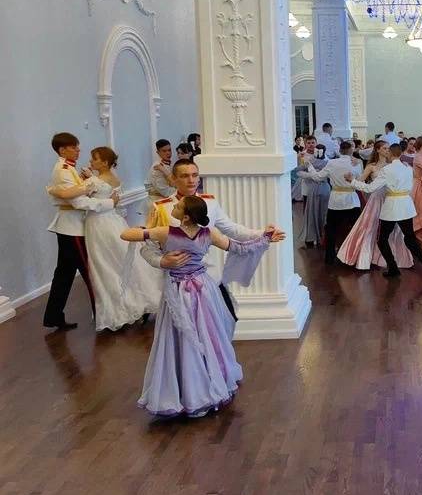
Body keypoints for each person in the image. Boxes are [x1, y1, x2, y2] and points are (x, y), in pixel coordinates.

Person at [123, 196, 283, 417]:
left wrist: (147, 229)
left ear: (186, 217)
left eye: (178, 207)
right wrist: (265, 239)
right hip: (202, 289)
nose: (174, 207)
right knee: (207, 333)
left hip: (178, 290)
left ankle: (185, 388)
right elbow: (239, 248)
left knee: (180, 337)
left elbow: (126, 235)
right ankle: (208, 379)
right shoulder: (208, 234)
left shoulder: (165, 232)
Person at [141, 159, 279, 321]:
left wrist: (262, 234)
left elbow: (232, 229)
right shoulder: (161, 208)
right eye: (184, 176)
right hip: (178, 284)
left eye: (195, 175)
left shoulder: (209, 203)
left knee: (224, 323)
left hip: (210, 277)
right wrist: (161, 261)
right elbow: (147, 247)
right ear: (173, 179)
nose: (191, 180)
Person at [48, 147, 161, 331]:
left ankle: (119, 310)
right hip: (114, 222)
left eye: (94, 159)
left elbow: (79, 201)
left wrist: (55, 190)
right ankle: (140, 301)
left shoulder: (94, 181)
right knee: (120, 262)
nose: (90, 161)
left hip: (98, 225)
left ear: (104, 162)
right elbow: (109, 196)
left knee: (104, 266)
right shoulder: (113, 178)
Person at [43, 133, 119, 330]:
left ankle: (53, 316)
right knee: (90, 272)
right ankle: (105, 317)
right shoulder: (63, 170)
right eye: (74, 147)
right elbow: (78, 202)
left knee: (64, 273)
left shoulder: (69, 168)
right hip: (73, 228)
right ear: (62, 150)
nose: (78, 150)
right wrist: (109, 203)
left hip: (69, 227)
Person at [348, 144, 422, 278]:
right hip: (406, 206)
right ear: (401, 154)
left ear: (390, 153)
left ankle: (393, 267)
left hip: (391, 207)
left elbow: (370, 188)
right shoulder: (408, 168)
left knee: (382, 239)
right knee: (410, 238)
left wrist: (352, 181)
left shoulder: (386, 170)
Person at [337, 141, 413, 270]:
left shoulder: (394, 165)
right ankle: (367, 256)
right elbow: (360, 181)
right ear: (377, 150)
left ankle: (392, 258)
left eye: (388, 148)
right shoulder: (371, 166)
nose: (387, 150)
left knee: (394, 230)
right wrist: (353, 176)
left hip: (391, 200)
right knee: (370, 227)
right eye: (384, 148)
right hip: (376, 200)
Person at [299, 141, 363, 264]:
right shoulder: (356, 164)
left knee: (331, 229)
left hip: (336, 201)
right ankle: (355, 256)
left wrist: (310, 166)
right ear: (351, 151)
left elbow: (318, 177)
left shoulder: (332, 163)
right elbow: (360, 180)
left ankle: (329, 257)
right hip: (352, 200)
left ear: (340, 150)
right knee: (355, 228)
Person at [296, 143, 330, 249]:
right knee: (311, 213)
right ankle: (311, 237)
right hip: (313, 190)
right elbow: (298, 171)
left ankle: (323, 238)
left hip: (324, 190)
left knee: (324, 214)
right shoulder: (309, 161)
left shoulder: (328, 162)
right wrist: (310, 175)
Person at [146, 139, 176, 205]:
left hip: (167, 199)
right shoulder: (157, 168)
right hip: (158, 201)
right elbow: (165, 192)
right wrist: (180, 191)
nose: (168, 153)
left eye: (169, 150)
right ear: (158, 152)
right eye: (164, 151)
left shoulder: (170, 164)